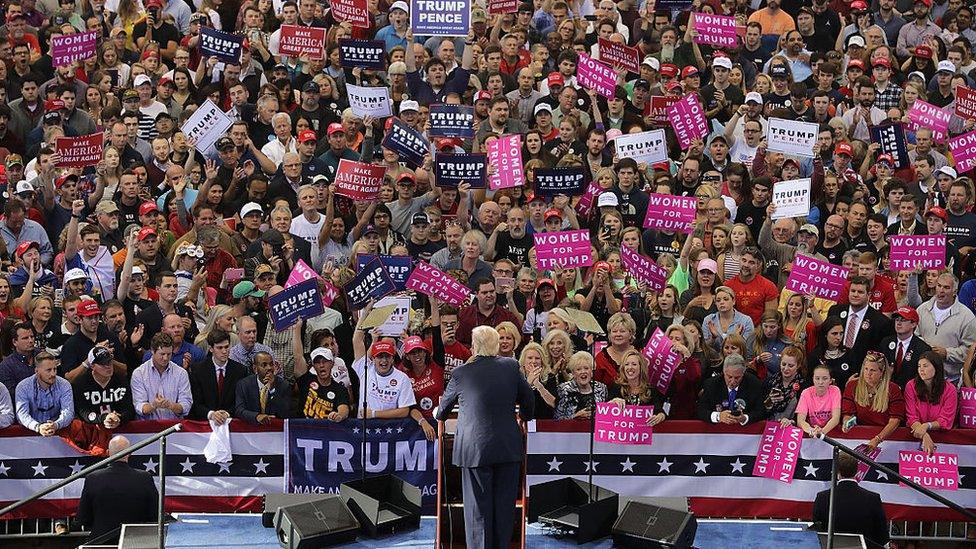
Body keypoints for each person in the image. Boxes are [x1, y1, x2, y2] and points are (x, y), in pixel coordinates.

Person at [434, 326, 534, 549]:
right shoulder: (511, 367)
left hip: (474, 450)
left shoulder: (461, 373)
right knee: (504, 507)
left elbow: (442, 412)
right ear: (496, 345)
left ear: (474, 347)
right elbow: (529, 400)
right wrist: (524, 417)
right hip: (507, 447)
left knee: (478, 510)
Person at [77, 435, 159, 544]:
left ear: (108, 453)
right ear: (130, 453)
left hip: (101, 540)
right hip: (136, 542)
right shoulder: (145, 478)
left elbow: (84, 517)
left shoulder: (93, 478)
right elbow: (155, 514)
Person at [812, 451, 890, 549]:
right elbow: (882, 537)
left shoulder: (822, 498)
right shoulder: (873, 499)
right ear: (857, 470)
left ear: (836, 471)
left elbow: (816, 534)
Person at [188, 330, 248, 423]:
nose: (224, 351)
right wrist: (211, 414)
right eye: (219, 348)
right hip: (205, 423)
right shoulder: (198, 370)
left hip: (231, 423)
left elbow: (241, 402)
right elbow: (195, 402)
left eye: (226, 347)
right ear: (211, 349)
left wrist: (227, 414)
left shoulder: (240, 370)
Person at [904, 351, 957, 454]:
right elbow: (911, 417)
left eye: (925, 366)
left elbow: (945, 420)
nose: (921, 370)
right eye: (919, 366)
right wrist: (924, 434)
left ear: (936, 367)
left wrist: (927, 425)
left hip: (943, 439)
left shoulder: (950, 389)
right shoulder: (910, 386)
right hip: (915, 436)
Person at [15, 352, 74, 435]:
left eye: (55, 369)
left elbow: (68, 412)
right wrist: (38, 427)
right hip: (31, 433)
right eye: (48, 370)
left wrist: (56, 425)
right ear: (36, 371)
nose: (53, 374)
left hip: (58, 432)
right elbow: (22, 415)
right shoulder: (23, 387)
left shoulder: (64, 385)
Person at [697, 354, 763, 425]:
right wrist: (719, 416)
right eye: (729, 377)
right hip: (717, 431)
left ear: (743, 373)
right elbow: (701, 411)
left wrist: (745, 418)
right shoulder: (711, 384)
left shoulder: (754, 384)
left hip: (744, 432)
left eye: (737, 378)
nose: (733, 381)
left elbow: (761, 411)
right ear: (724, 371)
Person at [235, 351, 289, 424]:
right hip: (252, 428)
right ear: (255, 369)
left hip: (274, 429)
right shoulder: (244, 385)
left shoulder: (283, 385)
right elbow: (239, 410)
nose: (269, 368)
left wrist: (272, 390)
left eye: (271, 364)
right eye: (264, 365)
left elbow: (285, 413)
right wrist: (256, 416)